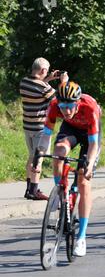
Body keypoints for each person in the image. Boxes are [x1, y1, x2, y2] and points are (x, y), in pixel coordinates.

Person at [33, 74, 102, 257]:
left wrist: (88, 165)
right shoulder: (55, 105)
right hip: (70, 130)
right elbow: (46, 136)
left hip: (90, 135)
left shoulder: (89, 107)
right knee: (58, 153)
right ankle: (60, 189)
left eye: (70, 106)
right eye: (63, 107)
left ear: (77, 102)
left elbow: (94, 143)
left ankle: (81, 237)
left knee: (84, 182)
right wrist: (38, 160)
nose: (66, 111)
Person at [20, 57, 58, 200]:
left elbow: (39, 87)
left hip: (27, 127)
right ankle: (35, 190)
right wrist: (63, 81)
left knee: (31, 156)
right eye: (46, 71)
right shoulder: (44, 88)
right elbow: (59, 100)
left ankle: (29, 189)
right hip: (40, 129)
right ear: (43, 70)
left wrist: (47, 78)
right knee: (38, 159)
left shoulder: (24, 82)